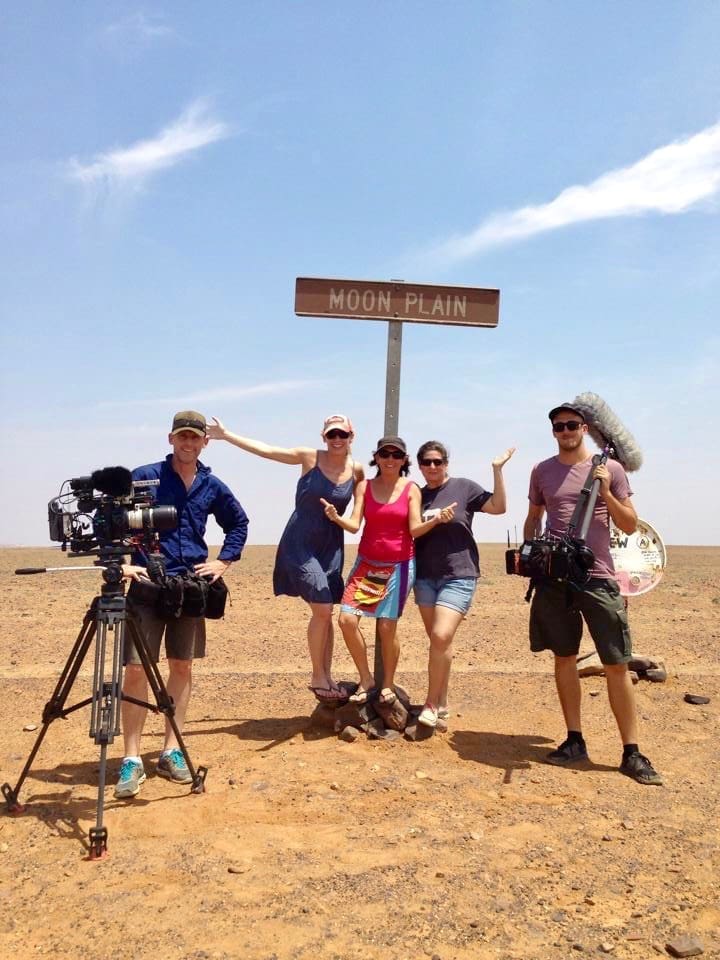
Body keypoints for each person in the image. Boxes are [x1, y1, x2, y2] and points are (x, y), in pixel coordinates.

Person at [523, 402, 662, 785]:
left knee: (616, 664)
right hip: (555, 579)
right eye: (558, 426)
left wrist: (605, 490)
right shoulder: (542, 471)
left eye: (571, 425)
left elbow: (630, 524)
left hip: (599, 578)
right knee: (564, 658)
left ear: (584, 428)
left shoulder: (610, 469)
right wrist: (530, 554)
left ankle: (632, 752)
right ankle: (574, 740)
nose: (564, 431)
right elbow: (535, 518)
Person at [116, 410, 249, 799]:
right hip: (146, 586)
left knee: (182, 665)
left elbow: (238, 522)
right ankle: (131, 758)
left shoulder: (211, 485)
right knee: (137, 670)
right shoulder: (145, 477)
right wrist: (124, 564)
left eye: (195, 437)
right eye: (182, 437)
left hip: (188, 587)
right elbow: (116, 521)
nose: (188, 443)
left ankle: (171, 750)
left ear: (205, 442)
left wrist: (224, 561)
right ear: (171, 439)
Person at [206, 414, 364, 703]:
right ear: (324, 437)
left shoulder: (358, 471)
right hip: (300, 542)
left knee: (325, 611)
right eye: (332, 435)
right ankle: (317, 676)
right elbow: (267, 450)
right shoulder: (309, 458)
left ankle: (327, 675)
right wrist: (227, 435)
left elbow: (365, 509)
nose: (337, 440)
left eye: (342, 435)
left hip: (331, 547)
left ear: (352, 437)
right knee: (322, 607)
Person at [322, 436, 449, 706]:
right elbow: (355, 524)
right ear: (376, 458)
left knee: (387, 626)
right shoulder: (364, 487)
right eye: (385, 454)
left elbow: (414, 529)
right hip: (368, 564)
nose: (390, 459)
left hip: (399, 565)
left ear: (403, 460)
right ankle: (366, 679)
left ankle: (387, 684)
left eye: (396, 455)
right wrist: (337, 518)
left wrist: (436, 520)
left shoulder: (411, 489)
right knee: (346, 620)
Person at [413, 440, 515, 728]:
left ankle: (431, 704)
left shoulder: (464, 487)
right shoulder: (417, 496)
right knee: (437, 641)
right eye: (427, 462)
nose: (433, 467)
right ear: (420, 466)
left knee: (442, 636)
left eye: (438, 462)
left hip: (459, 573)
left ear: (447, 463)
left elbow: (498, 507)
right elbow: (410, 531)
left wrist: (497, 470)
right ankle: (442, 701)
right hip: (425, 577)